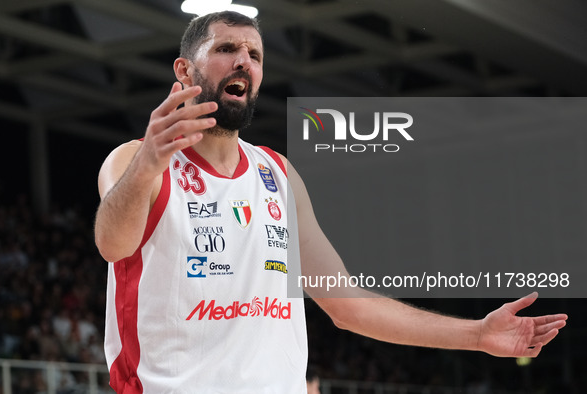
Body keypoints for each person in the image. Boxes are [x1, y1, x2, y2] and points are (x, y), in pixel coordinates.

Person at [94, 11, 568, 394]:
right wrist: (149, 164)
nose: (244, 62)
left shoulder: (278, 174)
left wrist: (477, 336)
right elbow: (113, 245)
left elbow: (349, 306)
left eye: (255, 55)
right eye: (226, 49)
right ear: (183, 69)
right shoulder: (135, 160)